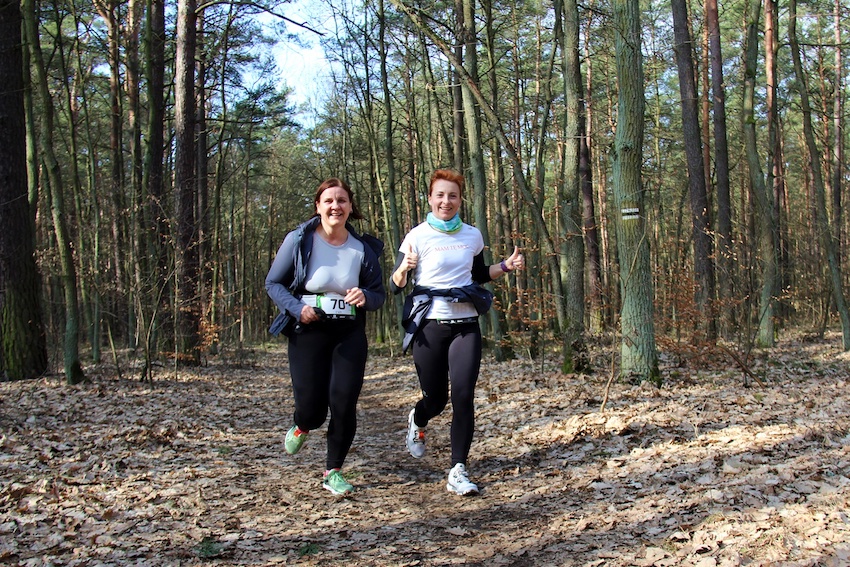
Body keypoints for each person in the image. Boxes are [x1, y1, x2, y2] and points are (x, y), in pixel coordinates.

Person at [390, 168, 524, 496]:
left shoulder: (472, 235)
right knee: (436, 399)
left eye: (452, 196)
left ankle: (458, 469)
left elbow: (478, 274)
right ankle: (419, 418)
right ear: (430, 198)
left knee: (463, 396)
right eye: (440, 195)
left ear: (460, 200)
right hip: (429, 326)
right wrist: (403, 269)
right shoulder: (417, 236)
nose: (446, 201)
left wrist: (505, 266)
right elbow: (395, 285)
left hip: (466, 325)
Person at [266, 178, 385, 496]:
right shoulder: (299, 240)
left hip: (349, 332)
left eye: (342, 200)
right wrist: (296, 309)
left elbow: (378, 294)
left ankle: (333, 471)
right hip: (309, 328)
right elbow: (273, 283)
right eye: (329, 201)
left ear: (350, 207)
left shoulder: (362, 248)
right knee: (312, 408)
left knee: (344, 401)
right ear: (318, 206)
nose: (336, 206)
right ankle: (302, 424)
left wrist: (365, 296)